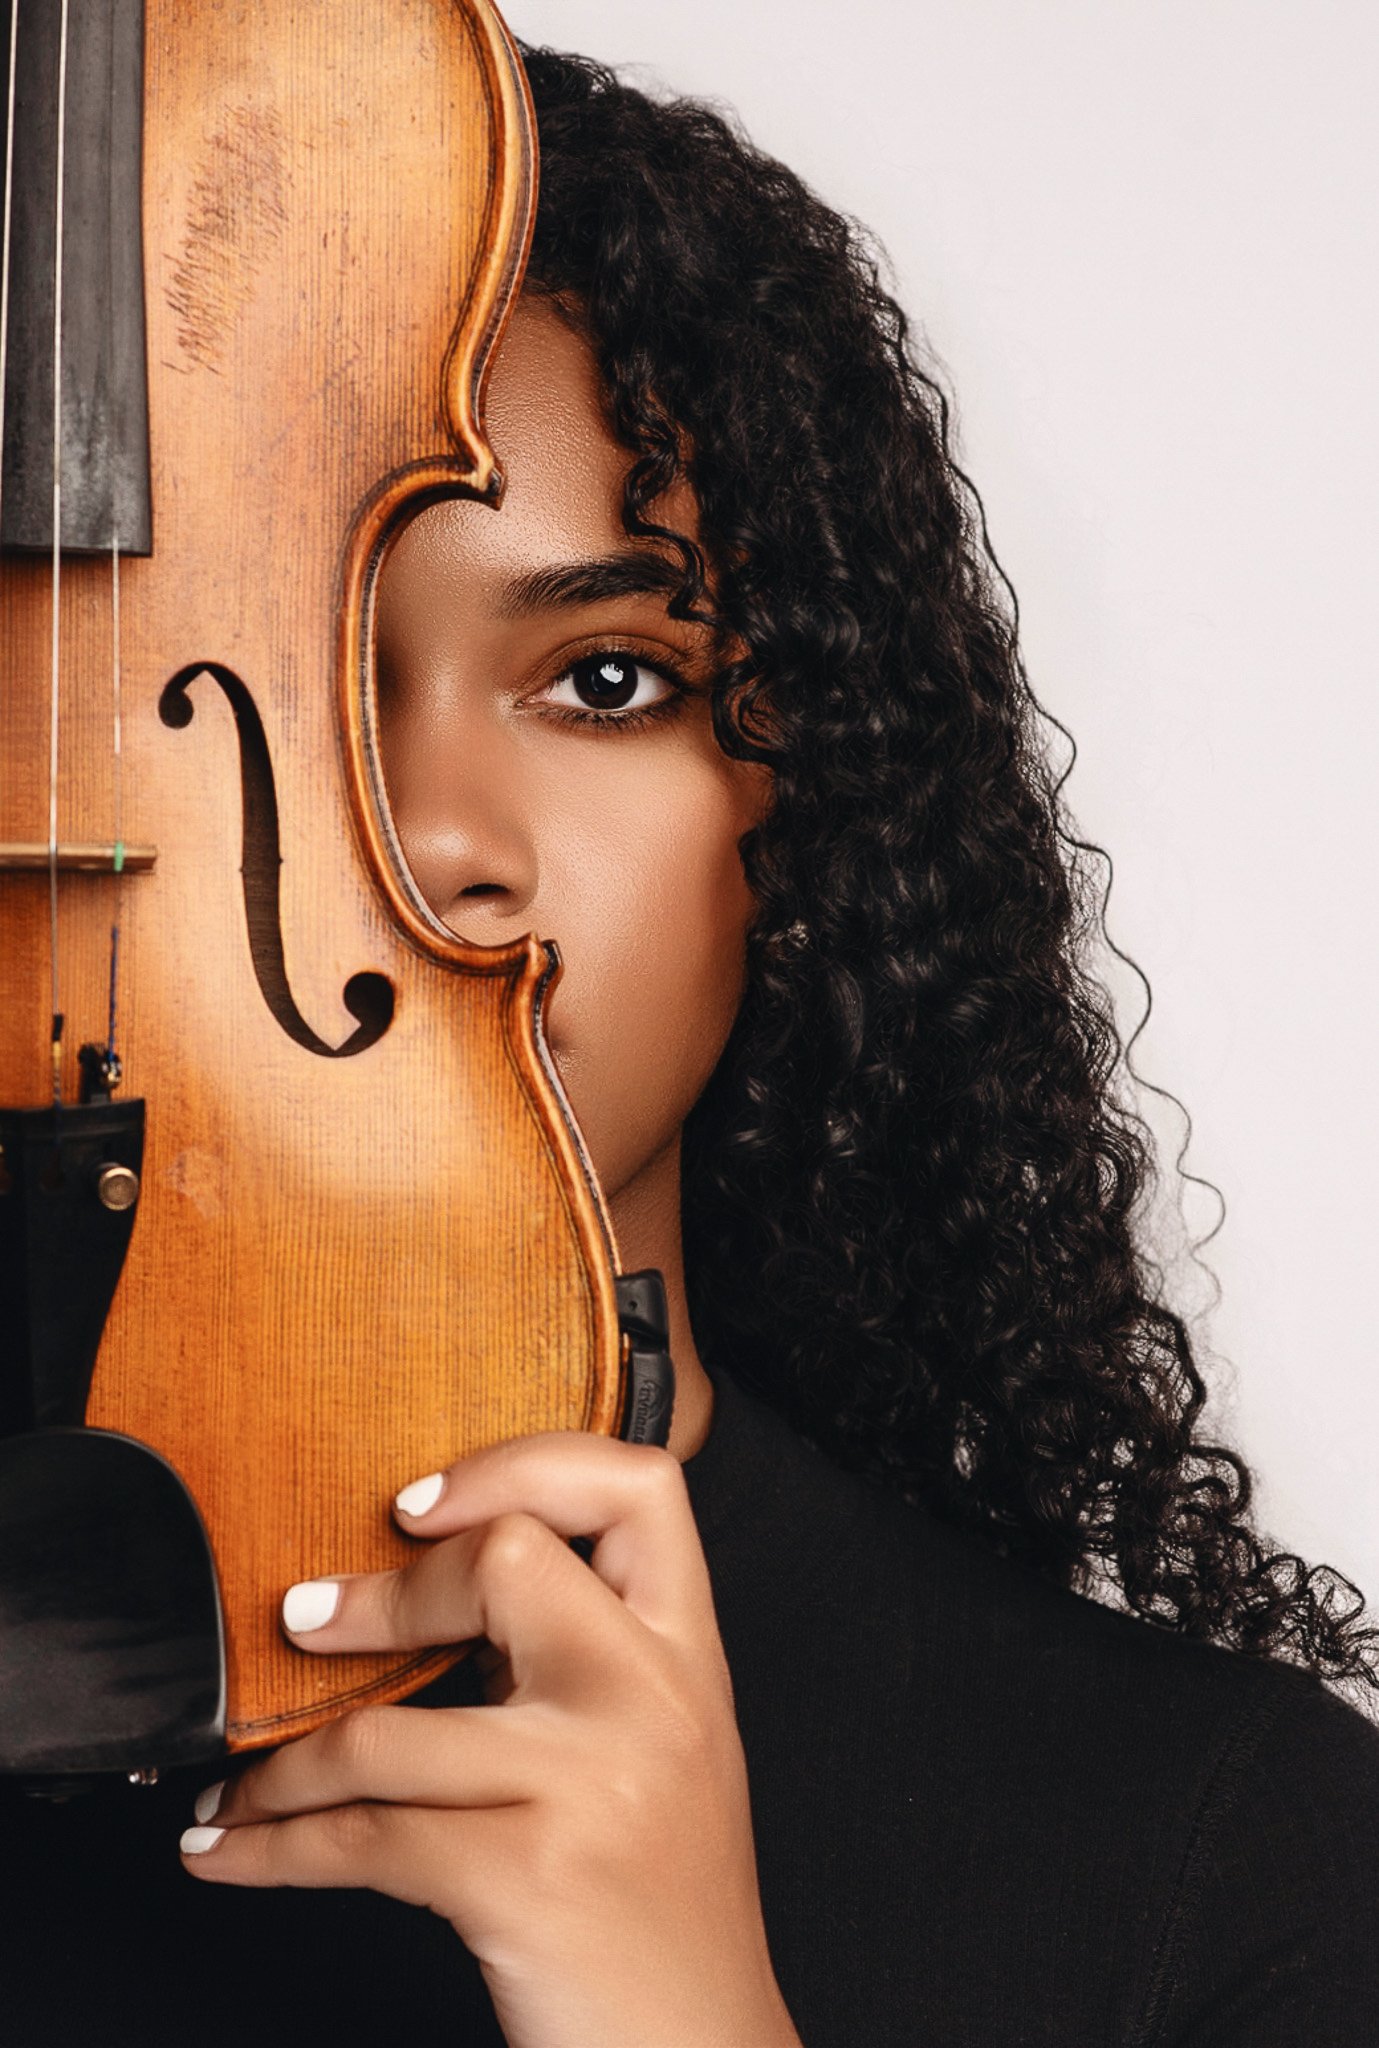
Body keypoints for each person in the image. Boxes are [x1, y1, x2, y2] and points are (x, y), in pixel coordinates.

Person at [6, 39, 1378, 2048]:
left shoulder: (1228, 1858)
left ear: (795, 821)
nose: (440, 840)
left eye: (608, 676)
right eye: (275, 681)